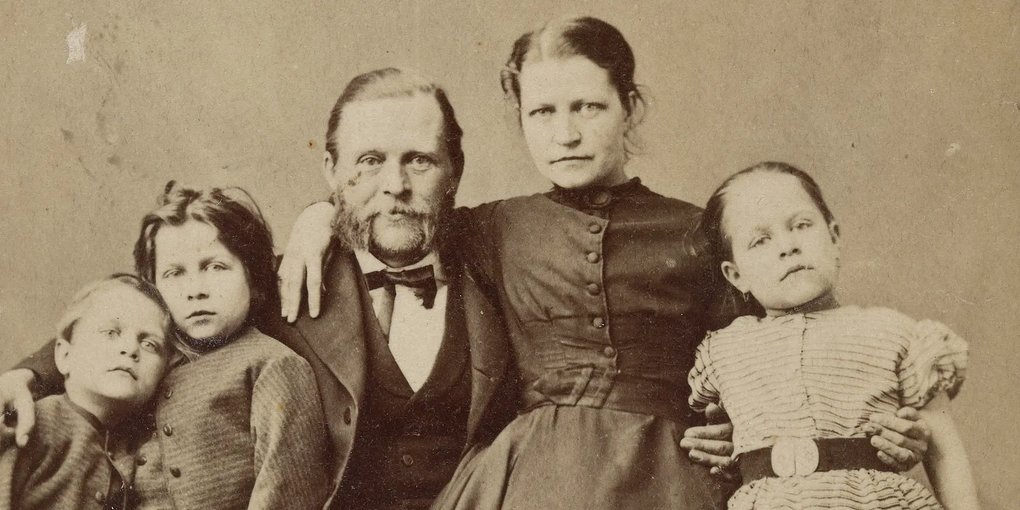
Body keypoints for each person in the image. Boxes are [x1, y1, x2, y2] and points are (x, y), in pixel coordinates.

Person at [276, 16, 932, 509]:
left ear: (629, 107)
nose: (565, 134)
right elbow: (396, 212)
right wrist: (316, 222)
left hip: (671, 473)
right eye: (543, 113)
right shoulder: (495, 226)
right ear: (522, 120)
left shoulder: (698, 228)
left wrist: (871, 416)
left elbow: (790, 342)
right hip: (531, 476)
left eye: (588, 107)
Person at [2, 185, 332, 509]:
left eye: (215, 267)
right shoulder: (147, 359)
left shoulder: (271, 364)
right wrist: (23, 376)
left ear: (254, 278)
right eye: (174, 273)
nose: (195, 290)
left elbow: (287, 488)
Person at [689, 162, 979, 509]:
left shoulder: (893, 333)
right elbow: (712, 436)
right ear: (736, 275)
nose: (787, 246)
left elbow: (945, 452)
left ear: (834, 237)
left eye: (801, 225)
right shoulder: (723, 352)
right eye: (760, 240)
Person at [0, 274, 174, 510]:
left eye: (149, 344)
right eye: (111, 333)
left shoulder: (133, 455)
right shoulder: (31, 424)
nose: (131, 348)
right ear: (64, 355)